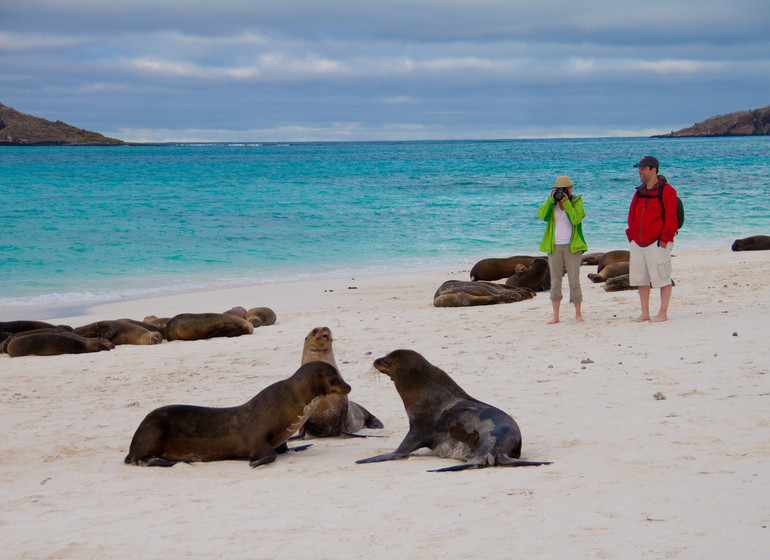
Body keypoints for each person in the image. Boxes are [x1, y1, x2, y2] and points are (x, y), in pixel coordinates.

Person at [626, 156, 678, 322]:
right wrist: (631, 236)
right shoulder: (639, 192)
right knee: (641, 279)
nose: (640, 172)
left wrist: (664, 239)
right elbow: (632, 215)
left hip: (657, 243)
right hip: (638, 243)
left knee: (662, 277)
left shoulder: (667, 191)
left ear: (653, 170)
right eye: (639, 169)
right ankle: (645, 312)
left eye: (643, 169)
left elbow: (671, 218)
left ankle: (662, 313)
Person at [537, 175, 587, 324]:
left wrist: (567, 204)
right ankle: (556, 316)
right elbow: (541, 215)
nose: (566, 191)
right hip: (554, 245)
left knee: (574, 280)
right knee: (555, 281)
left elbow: (577, 219)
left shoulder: (577, 201)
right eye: (562, 189)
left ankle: (578, 314)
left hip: (573, 245)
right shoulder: (551, 203)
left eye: (568, 188)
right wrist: (551, 200)